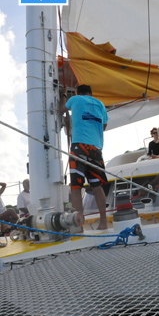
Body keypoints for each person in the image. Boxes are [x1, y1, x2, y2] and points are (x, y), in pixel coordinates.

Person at [60, 84, 108, 230]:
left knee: (76, 187)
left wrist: (63, 94)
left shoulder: (75, 99)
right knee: (97, 186)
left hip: (79, 148)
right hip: (96, 149)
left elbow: (61, 109)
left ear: (78, 93)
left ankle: (79, 226)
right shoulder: (100, 104)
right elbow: (104, 125)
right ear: (90, 93)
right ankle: (103, 223)